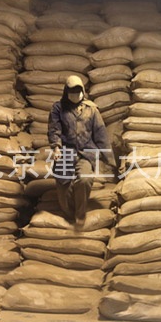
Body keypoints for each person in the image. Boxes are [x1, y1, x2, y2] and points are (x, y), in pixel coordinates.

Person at [48, 75, 115, 228]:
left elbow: (101, 133)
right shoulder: (58, 108)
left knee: (84, 179)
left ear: (83, 91)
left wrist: (109, 159)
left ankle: (80, 214)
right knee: (63, 184)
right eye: (72, 92)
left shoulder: (91, 109)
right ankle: (68, 213)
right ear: (66, 92)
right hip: (65, 152)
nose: (75, 95)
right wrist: (56, 147)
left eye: (78, 92)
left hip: (86, 152)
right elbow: (54, 129)